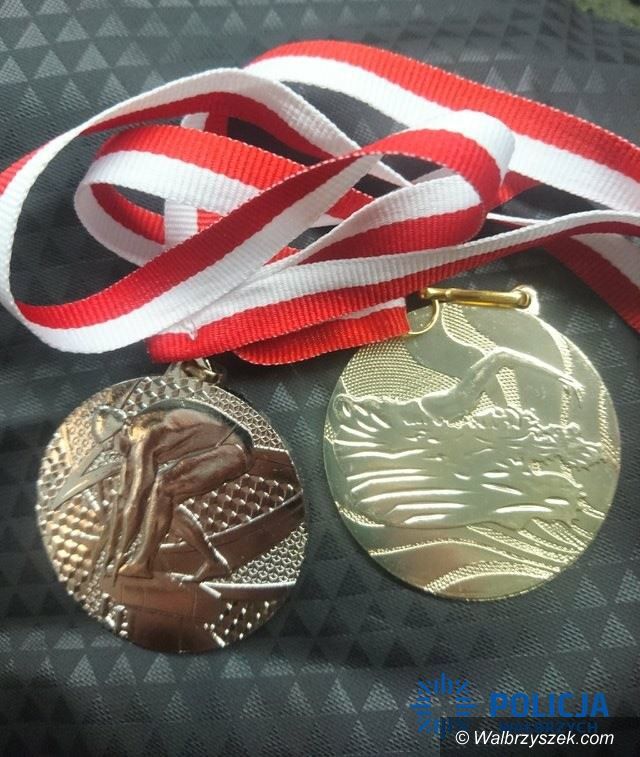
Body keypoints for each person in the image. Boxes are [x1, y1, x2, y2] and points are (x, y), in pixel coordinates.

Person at [92, 402, 254, 580]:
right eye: (109, 447)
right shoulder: (133, 442)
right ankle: (214, 562)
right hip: (222, 447)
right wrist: (103, 552)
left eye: (112, 443)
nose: (115, 450)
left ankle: (142, 564)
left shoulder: (144, 435)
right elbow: (122, 499)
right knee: (162, 504)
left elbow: (137, 499)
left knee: (163, 486)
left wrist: (119, 555)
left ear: (122, 430)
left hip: (235, 448)